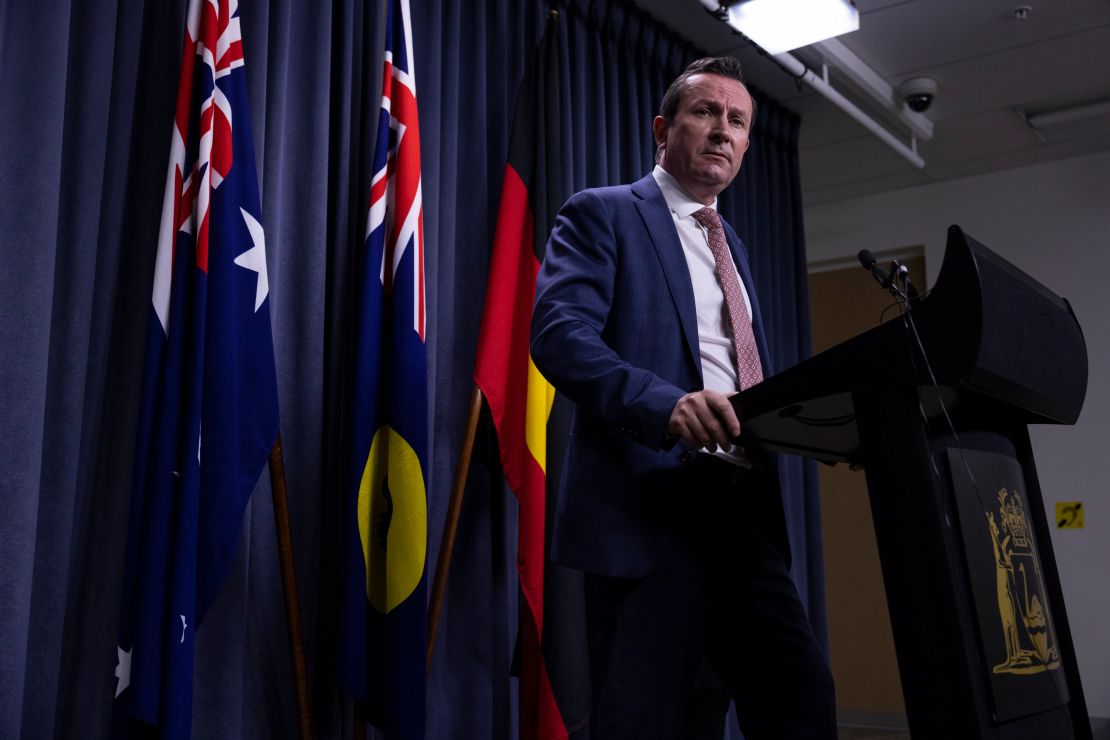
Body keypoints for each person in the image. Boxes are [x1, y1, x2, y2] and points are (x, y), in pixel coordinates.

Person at [530, 57, 837, 738]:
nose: (722, 130)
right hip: (651, 507)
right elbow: (558, 334)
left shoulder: (738, 251)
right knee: (650, 720)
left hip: (747, 509)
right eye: (705, 112)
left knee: (800, 696)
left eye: (737, 121)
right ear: (663, 129)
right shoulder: (603, 214)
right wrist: (662, 404)